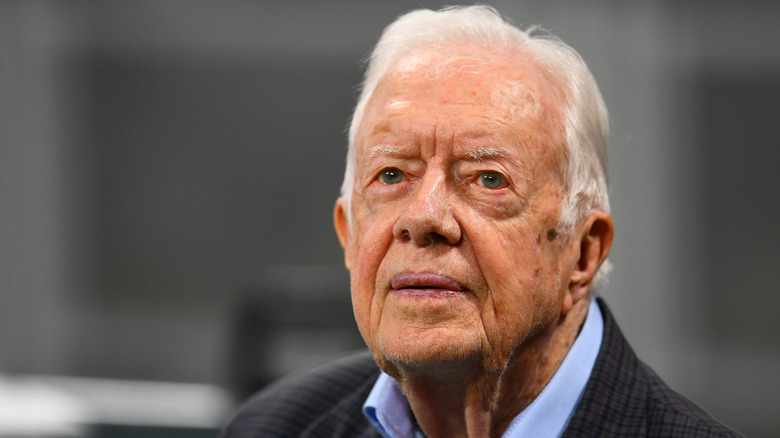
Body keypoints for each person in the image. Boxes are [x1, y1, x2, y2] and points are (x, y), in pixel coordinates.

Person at [221, 5, 740, 438]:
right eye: (392, 173)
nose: (423, 219)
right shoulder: (271, 427)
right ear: (350, 237)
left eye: (488, 180)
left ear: (583, 251)